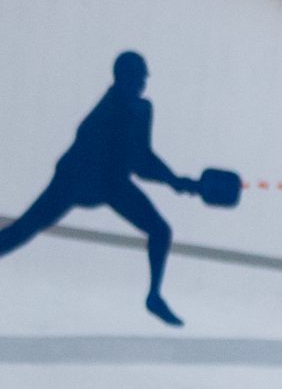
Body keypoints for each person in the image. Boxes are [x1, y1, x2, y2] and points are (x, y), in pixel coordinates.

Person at [0, 52, 213, 327]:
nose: (142, 82)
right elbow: (140, 162)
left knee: (160, 231)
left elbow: (143, 157)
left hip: (111, 183)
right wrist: (176, 182)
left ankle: (154, 296)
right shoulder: (110, 110)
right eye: (137, 76)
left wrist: (177, 181)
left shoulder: (141, 109)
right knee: (25, 228)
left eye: (142, 77)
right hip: (76, 179)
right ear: (122, 77)